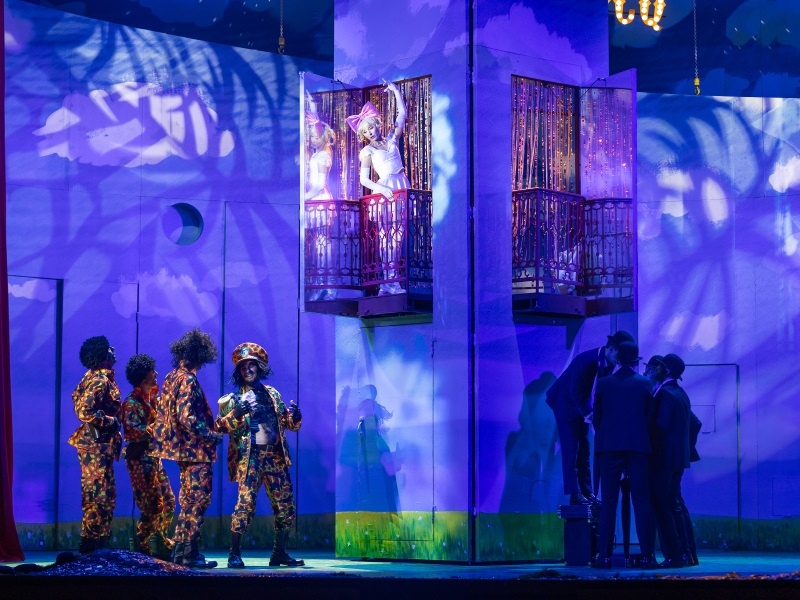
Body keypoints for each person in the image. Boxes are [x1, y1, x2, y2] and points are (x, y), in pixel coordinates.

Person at [150, 329, 241, 569]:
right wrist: (210, 435)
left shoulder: (171, 377)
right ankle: (188, 553)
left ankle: (182, 552)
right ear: (201, 355)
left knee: (189, 501)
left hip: (181, 450)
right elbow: (187, 417)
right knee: (197, 501)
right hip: (195, 451)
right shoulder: (188, 380)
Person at [219, 343, 304, 568]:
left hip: (275, 457)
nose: (247, 370)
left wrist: (295, 416)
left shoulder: (272, 394)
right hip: (251, 459)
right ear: (239, 372)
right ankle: (234, 553)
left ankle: (279, 553)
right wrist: (236, 413)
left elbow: (289, 424)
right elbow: (220, 426)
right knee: (245, 504)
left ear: (260, 368)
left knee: (285, 505)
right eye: (243, 367)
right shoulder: (234, 399)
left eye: (251, 365)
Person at [545, 330, 634, 505]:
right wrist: (590, 414)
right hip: (565, 405)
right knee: (571, 450)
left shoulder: (607, 362)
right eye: (618, 356)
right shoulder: (587, 361)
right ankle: (574, 494)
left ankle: (587, 491)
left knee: (584, 449)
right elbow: (576, 392)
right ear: (611, 349)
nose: (619, 361)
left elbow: (600, 392)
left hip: (580, 406)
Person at [592, 341, 657, 569]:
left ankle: (604, 556)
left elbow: (597, 418)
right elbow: (649, 417)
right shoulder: (645, 383)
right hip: (637, 448)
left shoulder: (603, 383)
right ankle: (647, 555)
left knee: (609, 502)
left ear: (618, 359)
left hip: (609, 448)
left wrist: (609, 436)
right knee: (642, 501)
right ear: (636, 361)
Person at [348, 81, 409, 295]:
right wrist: (381, 190)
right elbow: (364, 180)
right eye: (365, 131)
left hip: (401, 184)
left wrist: (396, 92)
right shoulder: (368, 151)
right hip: (385, 189)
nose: (370, 133)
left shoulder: (392, 139)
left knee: (398, 235)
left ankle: (391, 281)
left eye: (371, 128)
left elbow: (402, 114)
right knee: (386, 235)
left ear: (377, 124)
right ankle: (388, 281)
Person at [68, 336, 122, 555]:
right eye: (109, 348)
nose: (113, 349)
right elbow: (84, 411)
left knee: (104, 494)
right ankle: (91, 545)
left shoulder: (94, 376)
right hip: (95, 446)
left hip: (99, 446)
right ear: (102, 355)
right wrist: (111, 421)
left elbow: (76, 398)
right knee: (98, 496)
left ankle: (100, 542)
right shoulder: (99, 379)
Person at [121, 353, 175, 559]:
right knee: (151, 505)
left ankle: (160, 541)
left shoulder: (153, 398)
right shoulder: (131, 403)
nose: (157, 374)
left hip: (154, 458)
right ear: (144, 376)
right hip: (140, 460)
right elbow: (134, 430)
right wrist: (156, 427)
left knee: (168, 501)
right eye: (153, 372)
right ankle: (142, 544)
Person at [661, 353, 700, 567]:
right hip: (679, 458)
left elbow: (660, 426)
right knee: (676, 503)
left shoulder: (666, 393)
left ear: (666, 370)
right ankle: (688, 554)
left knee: (670, 505)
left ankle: (678, 554)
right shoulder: (681, 392)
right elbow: (696, 423)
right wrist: (686, 448)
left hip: (668, 459)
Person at [305, 93, 338, 301]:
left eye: (315, 137)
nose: (312, 139)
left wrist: (304, 198)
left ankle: (328, 284)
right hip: (315, 201)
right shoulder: (319, 153)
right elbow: (316, 124)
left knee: (323, 245)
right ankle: (321, 283)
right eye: (311, 137)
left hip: (320, 201)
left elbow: (319, 184)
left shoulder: (324, 154)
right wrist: (312, 106)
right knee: (319, 244)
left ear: (323, 138)